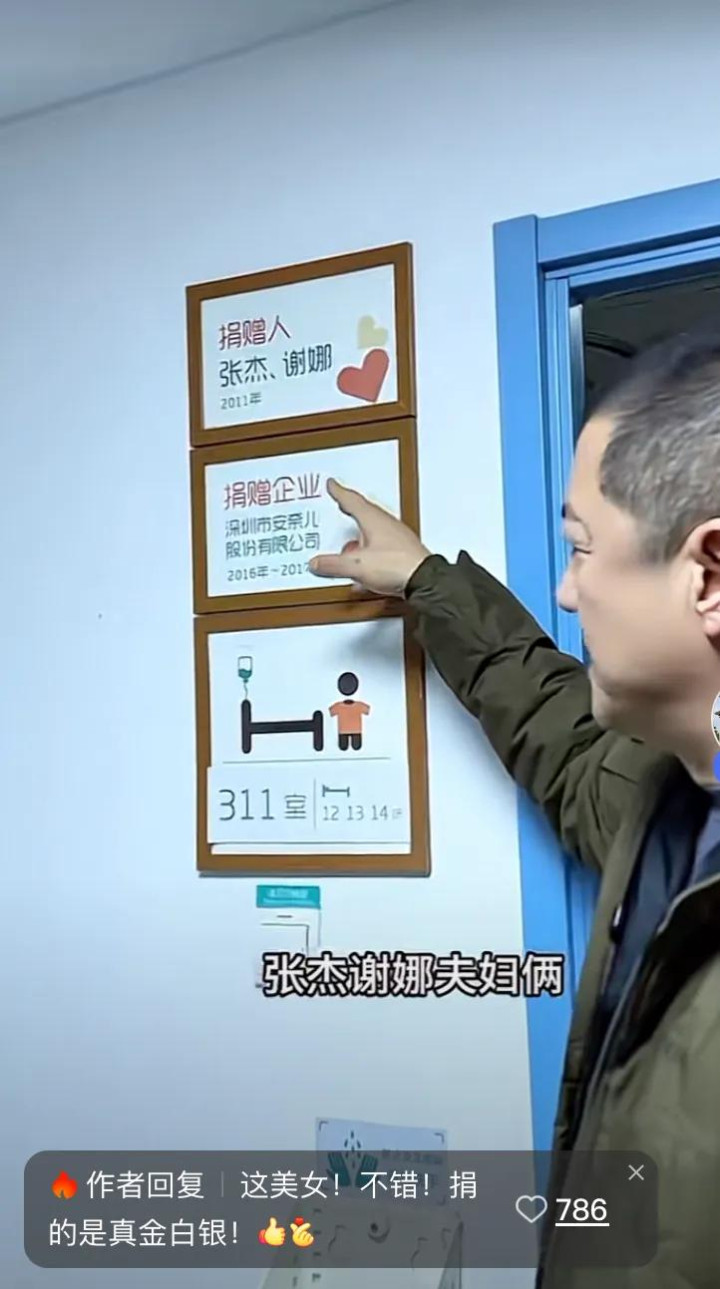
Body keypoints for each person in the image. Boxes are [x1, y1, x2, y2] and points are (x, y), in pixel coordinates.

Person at [309, 326, 720, 1288]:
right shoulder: (674, 788)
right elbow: (569, 744)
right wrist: (428, 583)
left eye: (582, 548)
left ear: (707, 573)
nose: (568, 592)